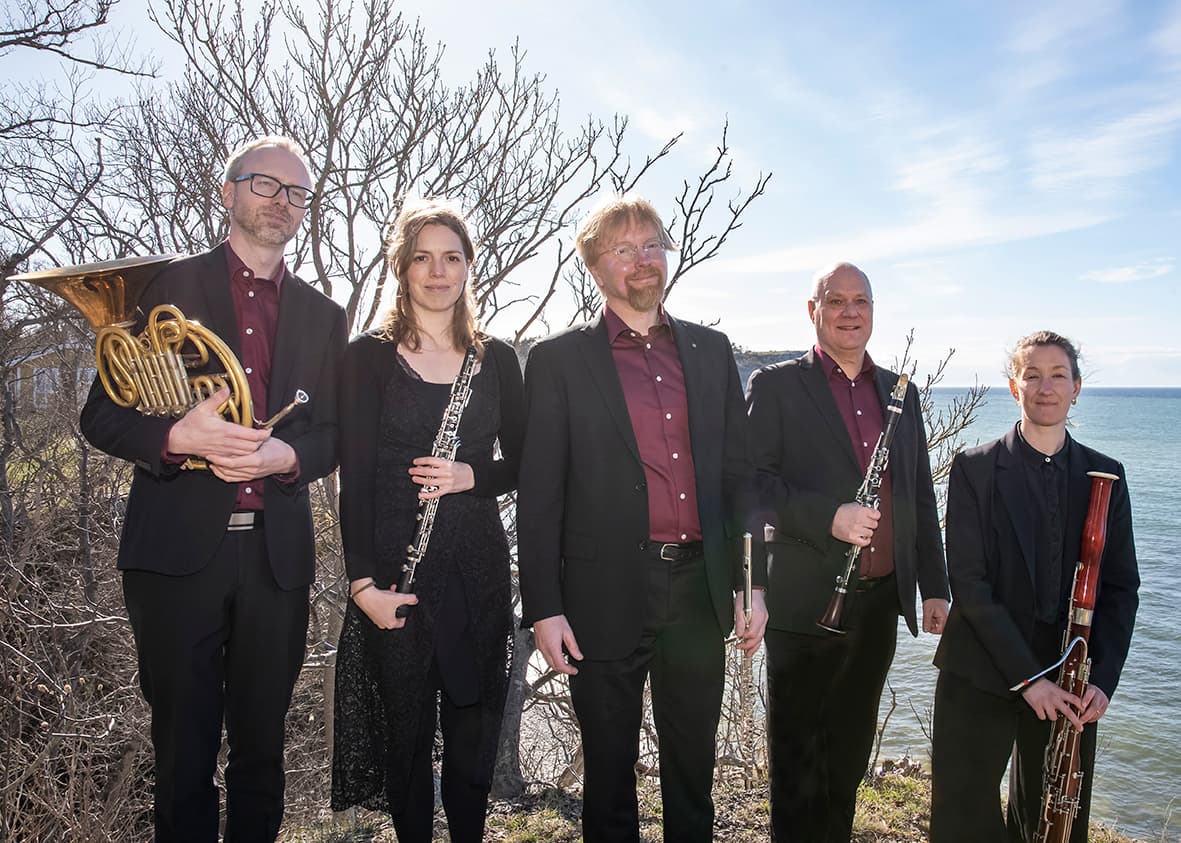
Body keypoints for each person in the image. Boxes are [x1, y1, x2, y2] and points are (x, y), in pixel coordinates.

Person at [80, 136, 347, 842]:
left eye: (296, 193)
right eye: (265, 184)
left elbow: (332, 434)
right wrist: (178, 437)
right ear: (227, 193)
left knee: (263, 756)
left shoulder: (325, 316)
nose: (281, 201)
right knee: (182, 757)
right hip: (175, 559)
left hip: (275, 560)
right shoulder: (164, 288)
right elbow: (100, 415)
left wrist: (285, 453)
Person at [516, 194, 768, 843]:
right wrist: (543, 607)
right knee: (609, 774)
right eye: (622, 250)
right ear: (596, 268)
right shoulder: (558, 360)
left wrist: (752, 583)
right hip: (601, 594)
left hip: (696, 590)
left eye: (650, 244)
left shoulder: (711, 351)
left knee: (692, 770)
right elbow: (538, 494)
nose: (641, 261)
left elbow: (741, 480)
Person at [330, 199, 524, 842]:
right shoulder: (367, 359)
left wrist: (473, 476)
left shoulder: (497, 361)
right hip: (396, 572)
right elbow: (351, 476)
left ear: (469, 267)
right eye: (423, 258)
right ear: (401, 268)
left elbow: (524, 467)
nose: (438, 272)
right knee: (404, 733)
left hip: (478, 571)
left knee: (472, 722)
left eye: (452, 257)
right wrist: (361, 585)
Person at [744, 261, 949, 842]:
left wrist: (934, 585)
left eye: (861, 300)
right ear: (814, 311)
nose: (850, 311)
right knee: (797, 760)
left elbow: (919, 492)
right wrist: (828, 516)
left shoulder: (900, 393)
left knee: (850, 757)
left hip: (879, 603)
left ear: (874, 311)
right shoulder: (777, 385)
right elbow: (755, 486)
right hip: (805, 601)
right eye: (836, 301)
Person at [930, 330, 1140, 843]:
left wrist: (1102, 682)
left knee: (1054, 823)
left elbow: (1120, 588)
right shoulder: (974, 468)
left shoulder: (1105, 476)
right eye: (1033, 375)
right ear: (1013, 387)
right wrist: (1028, 679)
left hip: (1069, 679)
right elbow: (970, 584)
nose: (1046, 387)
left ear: (1077, 388)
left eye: (1058, 375)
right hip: (980, 669)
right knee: (964, 818)